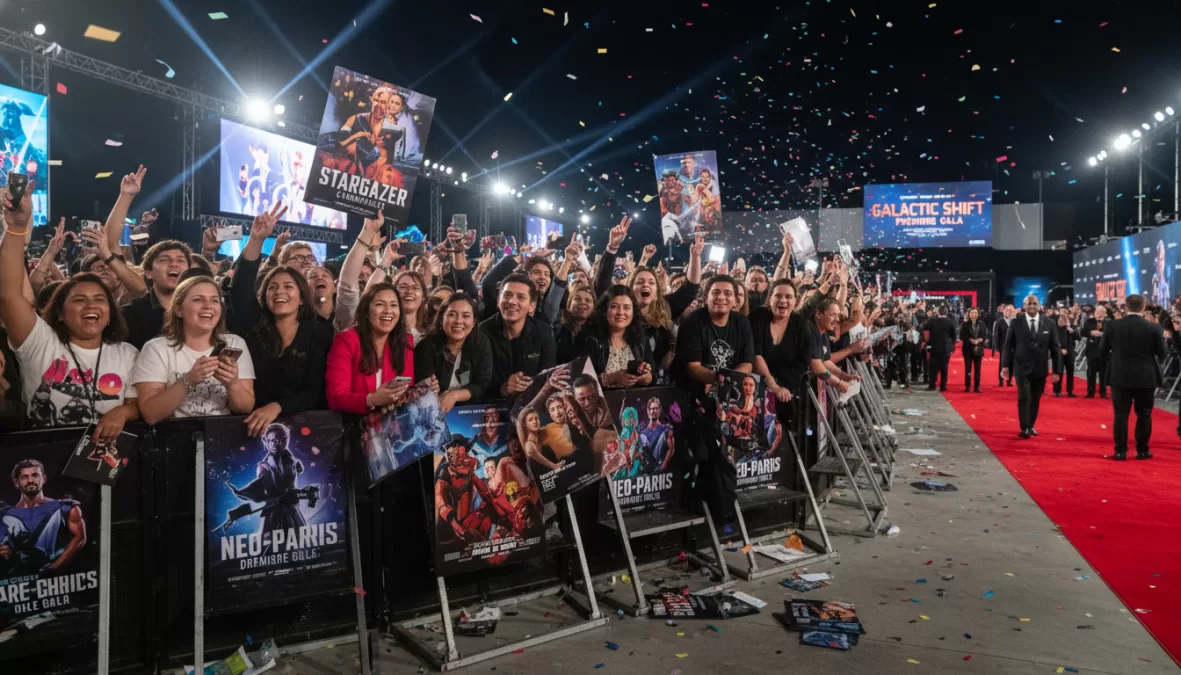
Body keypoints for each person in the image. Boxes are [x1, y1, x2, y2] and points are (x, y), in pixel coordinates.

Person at [0, 186, 141, 435]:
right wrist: (15, 227)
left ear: (111, 313)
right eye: (79, 300)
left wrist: (123, 412)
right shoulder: (39, 342)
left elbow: (137, 403)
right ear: (60, 313)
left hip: (102, 463)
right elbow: (9, 294)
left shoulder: (126, 353)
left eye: (100, 299)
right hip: (42, 461)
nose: (91, 305)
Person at [132, 277, 257, 423]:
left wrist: (233, 384)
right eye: (198, 300)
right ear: (179, 310)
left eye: (214, 300)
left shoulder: (235, 343)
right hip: (173, 436)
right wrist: (189, 380)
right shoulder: (155, 348)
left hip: (222, 435)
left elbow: (245, 408)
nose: (208, 306)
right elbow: (151, 414)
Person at [240, 265, 333, 437]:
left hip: (308, 429)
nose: (279, 292)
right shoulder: (253, 337)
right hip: (258, 428)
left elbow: (316, 390)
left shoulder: (318, 333)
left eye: (288, 286)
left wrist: (278, 406)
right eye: (272, 287)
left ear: (302, 299)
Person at [325, 281, 414, 414]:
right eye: (380, 304)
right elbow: (336, 397)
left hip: (394, 425)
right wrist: (371, 400)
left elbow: (407, 389)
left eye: (394, 305)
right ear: (366, 311)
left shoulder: (405, 341)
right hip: (354, 425)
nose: (388, 311)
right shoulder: (346, 340)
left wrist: (425, 389)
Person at [1099, 294, 1167, 460]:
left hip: (1120, 376)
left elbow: (1102, 350)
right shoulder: (1154, 328)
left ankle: (1120, 451)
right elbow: (1162, 354)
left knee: (1121, 414)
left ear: (1126, 307)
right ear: (1144, 308)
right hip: (1146, 377)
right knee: (1144, 414)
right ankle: (1142, 450)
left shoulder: (1112, 326)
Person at [2, 459, 87, 574]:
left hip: (60, 578)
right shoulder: (5, 515)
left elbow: (80, 538)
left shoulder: (65, 508)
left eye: (35, 475)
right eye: (24, 477)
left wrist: (56, 566)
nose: (30, 480)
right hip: (21, 579)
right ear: (17, 483)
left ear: (44, 479)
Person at [480, 273, 556, 400]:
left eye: (521, 297)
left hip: (531, 404)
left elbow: (548, 377)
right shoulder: (482, 332)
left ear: (532, 306)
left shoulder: (544, 332)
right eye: (507, 295)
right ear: (498, 301)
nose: (512, 301)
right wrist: (503, 389)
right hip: (491, 405)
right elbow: (478, 382)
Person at [414, 292, 493, 412]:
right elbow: (424, 387)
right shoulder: (426, 346)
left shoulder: (481, 343)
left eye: (466, 316)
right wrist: (429, 388)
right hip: (433, 410)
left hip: (469, 411)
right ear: (441, 319)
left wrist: (454, 395)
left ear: (474, 322)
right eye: (452, 314)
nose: (458, 321)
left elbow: (482, 384)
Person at [1001, 295, 1062, 439]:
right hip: (1021, 367)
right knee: (1024, 396)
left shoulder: (1049, 323)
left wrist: (1057, 371)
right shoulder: (1016, 322)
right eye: (1029, 304)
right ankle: (1024, 427)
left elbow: (1055, 348)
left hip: (1040, 368)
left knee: (1035, 398)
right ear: (1024, 306)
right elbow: (1008, 346)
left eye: (1034, 304)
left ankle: (1031, 425)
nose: (1032, 306)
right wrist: (1005, 366)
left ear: (1039, 305)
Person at [574, 285, 654, 389]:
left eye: (627, 307)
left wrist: (646, 378)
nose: (621, 312)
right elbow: (578, 382)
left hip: (635, 402)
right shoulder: (588, 338)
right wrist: (612, 378)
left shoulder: (641, 338)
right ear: (604, 310)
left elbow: (653, 376)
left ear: (633, 312)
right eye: (614, 306)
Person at [121, 239, 194, 349]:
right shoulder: (129, 314)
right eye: (164, 260)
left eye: (181, 261)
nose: (174, 264)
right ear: (149, 273)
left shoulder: (200, 310)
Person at [923, 305, 956, 392]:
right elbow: (954, 336)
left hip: (933, 347)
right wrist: (952, 347)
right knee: (944, 368)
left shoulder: (932, 320)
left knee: (933, 367)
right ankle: (943, 386)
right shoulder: (950, 322)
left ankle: (932, 384)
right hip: (945, 348)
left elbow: (925, 331)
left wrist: (927, 344)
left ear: (938, 312)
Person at [1082, 305, 1109, 398]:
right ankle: (1090, 392)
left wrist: (1101, 333)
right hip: (1092, 350)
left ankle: (1103, 392)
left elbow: (1110, 333)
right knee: (1090, 373)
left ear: (1104, 313)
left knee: (1103, 373)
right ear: (1095, 312)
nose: (1100, 313)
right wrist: (1091, 333)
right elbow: (1083, 332)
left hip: (1104, 351)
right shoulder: (1089, 321)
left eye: (1102, 312)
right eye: (1098, 311)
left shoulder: (1108, 322)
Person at [959, 307, 987, 393]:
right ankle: (967, 386)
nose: (974, 315)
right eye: (972, 313)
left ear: (978, 314)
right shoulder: (965, 324)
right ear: (969, 314)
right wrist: (970, 340)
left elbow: (985, 335)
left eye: (975, 313)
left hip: (978, 348)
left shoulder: (982, 324)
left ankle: (977, 386)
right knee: (968, 368)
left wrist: (980, 340)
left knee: (977, 369)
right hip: (968, 349)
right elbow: (961, 336)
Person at [1052, 311, 1078, 398]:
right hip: (1059, 353)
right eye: (1060, 320)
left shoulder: (1068, 329)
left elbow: (1077, 336)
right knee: (1058, 371)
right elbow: (1053, 341)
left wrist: (1069, 327)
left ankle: (1070, 391)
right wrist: (1060, 349)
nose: (1061, 321)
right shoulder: (1054, 328)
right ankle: (1057, 390)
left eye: (1063, 320)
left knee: (1070, 372)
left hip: (1070, 353)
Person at [992, 305, 1013, 386]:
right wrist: (997, 346)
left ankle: (1009, 380)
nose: (1009, 312)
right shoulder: (999, 321)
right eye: (1007, 311)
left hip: (1012, 347)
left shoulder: (1014, 321)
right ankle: (1001, 380)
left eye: (1010, 311)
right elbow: (996, 335)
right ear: (1004, 312)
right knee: (1002, 364)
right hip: (1003, 347)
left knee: (1011, 364)